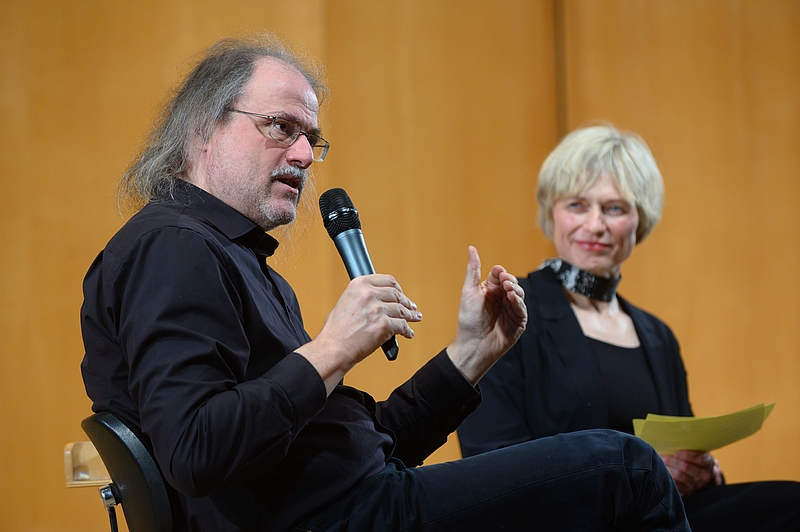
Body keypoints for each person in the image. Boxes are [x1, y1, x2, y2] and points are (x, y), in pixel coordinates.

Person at [80, 35, 691, 532]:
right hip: (341, 519)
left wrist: (470, 356)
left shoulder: (233, 258)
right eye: (281, 127)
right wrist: (333, 349)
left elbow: (364, 448)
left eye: (312, 138)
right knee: (628, 469)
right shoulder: (173, 246)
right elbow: (195, 452)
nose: (305, 154)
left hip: (361, 503)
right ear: (201, 129)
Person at [457, 125, 800, 531]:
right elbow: (490, 464)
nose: (595, 225)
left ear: (641, 220)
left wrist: (700, 470)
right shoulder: (511, 312)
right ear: (551, 212)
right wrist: (641, 476)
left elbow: (682, 447)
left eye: (615, 209)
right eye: (577, 205)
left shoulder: (658, 336)